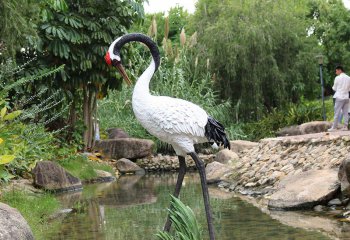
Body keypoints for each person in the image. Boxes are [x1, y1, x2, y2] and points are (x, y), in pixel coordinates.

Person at [328, 66, 350, 131]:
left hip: (339, 97)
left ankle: (334, 127)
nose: (336, 72)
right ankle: (345, 127)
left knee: (336, 112)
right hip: (346, 97)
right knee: (346, 113)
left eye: (336, 71)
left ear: (340, 70)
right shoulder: (349, 78)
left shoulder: (337, 78)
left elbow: (334, 88)